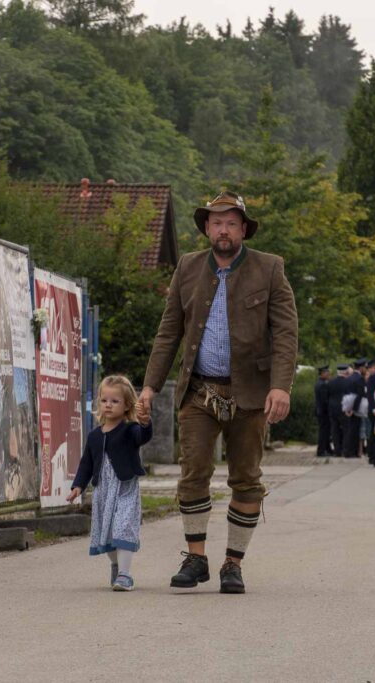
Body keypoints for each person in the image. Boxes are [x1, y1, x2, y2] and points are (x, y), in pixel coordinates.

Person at [138, 190, 298, 594]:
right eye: (216, 223)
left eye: (231, 223)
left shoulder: (270, 268)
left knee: (246, 479)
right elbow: (168, 332)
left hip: (250, 393)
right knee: (193, 471)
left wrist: (281, 386)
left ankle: (233, 563)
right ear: (206, 229)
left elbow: (286, 334)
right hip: (199, 391)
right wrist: (149, 387)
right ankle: (196, 558)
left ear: (243, 229)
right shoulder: (188, 267)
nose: (223, 230)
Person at [68, 375, 153, 591]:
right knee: (107, 533)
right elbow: (86, 463)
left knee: (123, 527)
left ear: (127, 405)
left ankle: (125, 574)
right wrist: (78, 486)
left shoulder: (129, 430)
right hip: (103, 491)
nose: (108, 405)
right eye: (104, 400)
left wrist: (145, 423)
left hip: (125, 488)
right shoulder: (94, 436)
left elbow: (142, 436)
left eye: (115, 401)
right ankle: (116, 565)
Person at [342, 359, 368, 458]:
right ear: (361, 368)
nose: (365, 369)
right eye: (364, 367)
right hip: (356, 408)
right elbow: (359, 395)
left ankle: (347, 450)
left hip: (348, 406)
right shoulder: (360, 379)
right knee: (355, 431)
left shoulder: (349, 378)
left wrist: (347, 408)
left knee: (349, 430)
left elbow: (346, 394)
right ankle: (352, 451)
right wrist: (354, 408)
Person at [328, 364, 349, 456]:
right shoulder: (347, 382)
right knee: (346, 430)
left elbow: (328, 395)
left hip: (333, 409)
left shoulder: (331, 382)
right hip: (344, 408)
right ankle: (345, 449)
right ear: (346, 372)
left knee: (334, 430)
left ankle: (337, 450)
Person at [314, 366, 332, 457]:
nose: (328, 374)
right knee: (324, 432)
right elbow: (325, 400)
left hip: (320, 411)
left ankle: (327, 449)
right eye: (327, 373)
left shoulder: (319, 383)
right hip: (324, 412)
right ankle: (321, 451)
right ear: (322, 374)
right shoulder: (323, 385)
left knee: (325, 431)